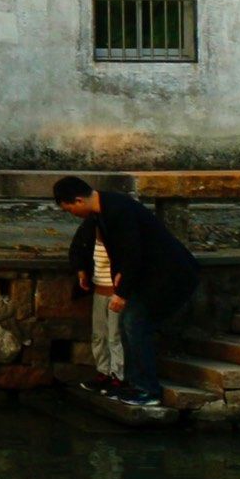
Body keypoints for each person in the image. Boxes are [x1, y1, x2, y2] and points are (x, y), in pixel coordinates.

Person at [55, 175, 200, 411]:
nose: (72, 214)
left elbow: (133, 254)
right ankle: (134, 383)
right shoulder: (103, 211)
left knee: (135, 322)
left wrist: (121, 293)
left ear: (78, 200)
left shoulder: (119, 211)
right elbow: (122, 254)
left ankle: (148, 389)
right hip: (150, 276)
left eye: (70, 209)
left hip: (171, 276)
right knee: (129, 325)